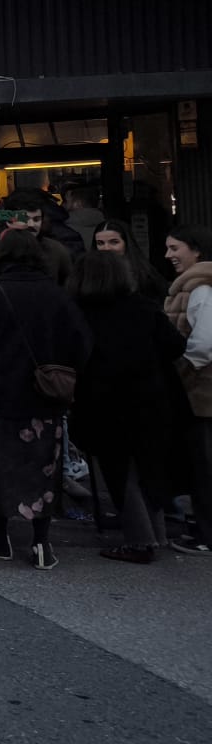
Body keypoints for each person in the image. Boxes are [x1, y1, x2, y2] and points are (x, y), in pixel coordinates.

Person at [0, 231, 89, 569]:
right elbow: (82, 341)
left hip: (0, 394)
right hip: (46, 396)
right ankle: (41, 542)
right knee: (44, 467)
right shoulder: (57, 296)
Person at [73, 250, 188, 563]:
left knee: (119, 470)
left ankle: (139, 540)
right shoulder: (144, 308)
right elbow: (175, 346)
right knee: (148, 466)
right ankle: (157, 532)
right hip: (151, 397)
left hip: (104, 400)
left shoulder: (82, 312)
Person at [162, 226, 212, 555]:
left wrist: (182, 366)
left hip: (201, 392)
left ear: (195, 250)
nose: (169, 255)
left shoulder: (200, 288)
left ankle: (206, 535)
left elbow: (204, 343)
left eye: (175, 248)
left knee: (205, 465)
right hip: (200, 390)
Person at [95, 219, 167, 301]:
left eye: (114, 242)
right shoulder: (89, 273)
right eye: (100, 243)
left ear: (127, 243)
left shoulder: (144, 275)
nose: (106, 248)